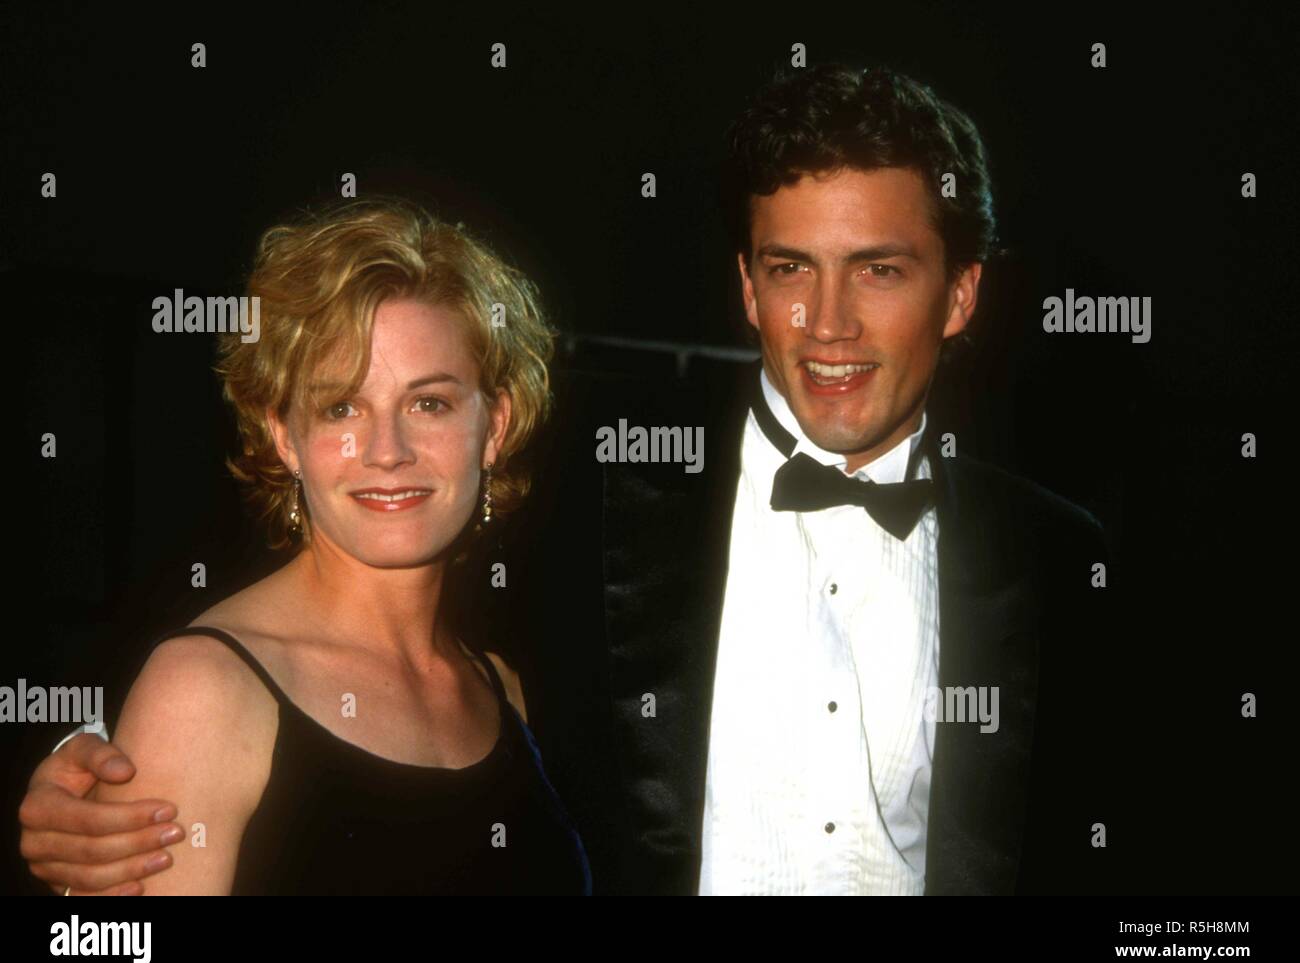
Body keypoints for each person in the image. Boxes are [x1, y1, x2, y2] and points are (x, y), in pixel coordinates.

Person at [21, 65, 1115, 896]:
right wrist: (76, 778)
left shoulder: (1066, 561)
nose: (826, 324)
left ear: (961, 293)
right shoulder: (600, 512)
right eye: (790, 268)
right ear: (746, 283)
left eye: (878, 270)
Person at [20, 197, 591, 895]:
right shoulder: (204, 691)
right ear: (285, 436)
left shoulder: (504, 690)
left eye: (429, 402)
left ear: (494, 426)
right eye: (341, 407)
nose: (387, 451)